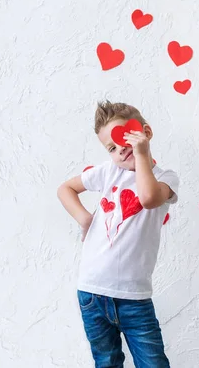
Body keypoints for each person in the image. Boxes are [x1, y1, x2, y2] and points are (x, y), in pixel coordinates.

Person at [57, 100, 180, 367]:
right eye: (111, 148)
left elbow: (147, 198)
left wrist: (142, 155)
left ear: (145, 133)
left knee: (153, 363)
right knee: (107, 362)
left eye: (125, 139)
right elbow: (65, 189)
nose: (120, 150)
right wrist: (85, 219)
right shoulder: (107, 171)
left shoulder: (165, 178)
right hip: (91, 292)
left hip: (134, 299)